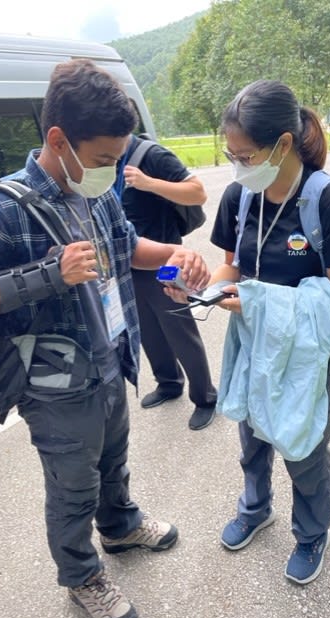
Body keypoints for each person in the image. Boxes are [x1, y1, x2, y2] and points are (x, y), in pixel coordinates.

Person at [0, 59, 210, 618]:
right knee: (72, 485)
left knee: (113, 458)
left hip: (111, 356)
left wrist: (175, 256)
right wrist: (44, 276)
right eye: (105, 158)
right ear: (58, 140)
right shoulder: (3, 209)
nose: (111, 170)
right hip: (53, 381)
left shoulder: (97, 191)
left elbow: (127, 245)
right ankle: (80, 574)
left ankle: (119, 524)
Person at [189, 79, 330, 585]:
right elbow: (232, 268)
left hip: (306, 357)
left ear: (283, 144)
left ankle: (311, 533)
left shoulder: (328, 203)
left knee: (303, 447)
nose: (237, 164)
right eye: (231, 154)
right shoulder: (239, 197)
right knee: (251, 435)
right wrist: (202, 285)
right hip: (253, 346)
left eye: (244, 155)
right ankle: (255, 506)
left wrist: (259, 302)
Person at [113, 134, 217, 430]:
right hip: (129, 261)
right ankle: (169, 382)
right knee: (146, 326)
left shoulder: (151, 154)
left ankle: (205, 396)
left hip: (165, 259)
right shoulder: (106, 160)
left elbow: (197, 193)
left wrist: (149, 183)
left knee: (177, 325)